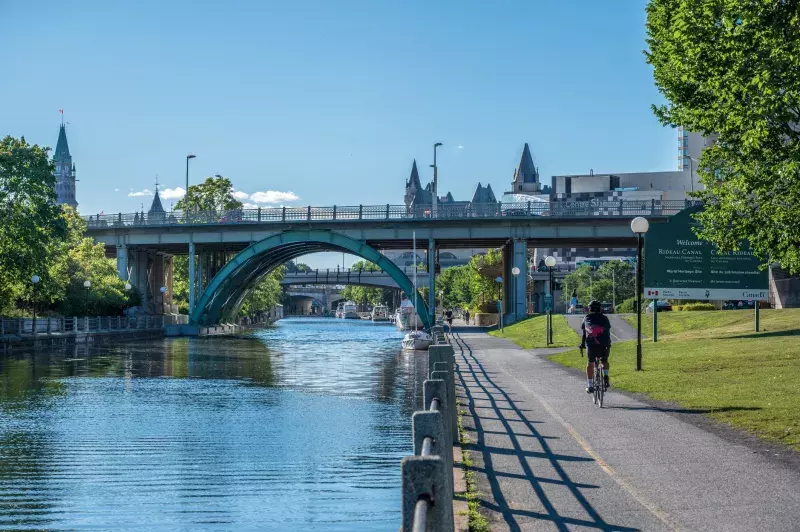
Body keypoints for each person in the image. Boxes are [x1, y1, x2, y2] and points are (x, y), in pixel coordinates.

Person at [579, 300, 611, 394]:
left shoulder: (587, 317)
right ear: (600, 309)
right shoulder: (605, 318)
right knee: (604, 360)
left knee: (590, 362)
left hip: (592, 345)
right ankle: (605, 376)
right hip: (605, 344)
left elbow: (585, 333)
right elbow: (607, 331)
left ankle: (590, 385)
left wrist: (582, 344)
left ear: (590, 309)